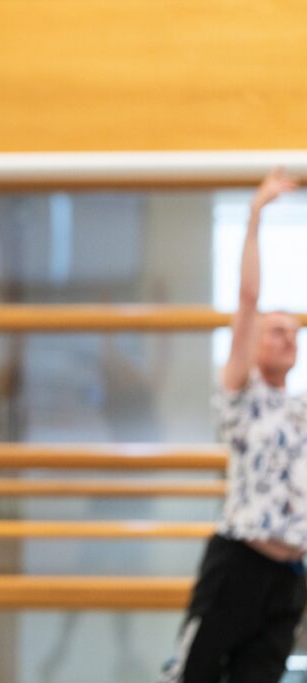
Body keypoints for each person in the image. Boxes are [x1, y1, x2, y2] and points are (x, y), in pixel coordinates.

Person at [159, 167, 306, 683]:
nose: (285, 337)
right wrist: (255, 217)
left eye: (292, 332)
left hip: (289, 575)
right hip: (238, 563)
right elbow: (247, 301)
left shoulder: (301, 409)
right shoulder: (242, 397)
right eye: (274, 331)